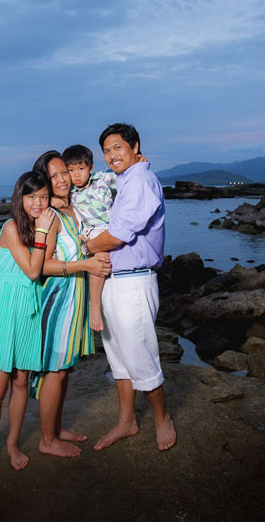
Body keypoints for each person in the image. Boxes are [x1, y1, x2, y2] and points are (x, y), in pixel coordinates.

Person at [85, 123, 177, 452]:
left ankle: (162, 417)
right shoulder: (125, 180)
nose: (111, 155)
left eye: (118, 148)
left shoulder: (140, 180)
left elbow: (119, 234)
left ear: (134, 146)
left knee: (139, 355)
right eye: (107, 150)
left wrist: (88, 247)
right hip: (114, 279)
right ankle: (127, 421)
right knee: (118, 357)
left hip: (134, 281)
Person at [32, 150, 111, 458]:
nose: (63, 179)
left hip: (74, 298)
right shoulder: (49, 216)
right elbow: (43, 266)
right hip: (57, 299)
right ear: (45, 181)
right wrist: (86, 267)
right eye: (54, 176)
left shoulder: (71, 208)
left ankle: (56, 428)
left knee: (64, 370)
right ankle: (46, 440)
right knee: (54, 370)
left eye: (64, 172)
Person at [0, 171, 55, 478]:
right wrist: (44, 230)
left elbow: (44, 268)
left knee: (22, 382)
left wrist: (46, 229)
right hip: (5, 304)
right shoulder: (11, 227)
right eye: (31, 196)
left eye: (43, 197)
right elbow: (34, 271)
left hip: (28, 306)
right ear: (19, 198)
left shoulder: (43, 226)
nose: (38, 203)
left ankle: (11, 446)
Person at [62, 143, 116, 333]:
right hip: (90, 231)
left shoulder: (103, 179)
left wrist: (139, 162)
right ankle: (94, 306)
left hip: (110, 226)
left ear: (91, 168)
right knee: (101, 256)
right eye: (71, 170)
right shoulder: (70, 192)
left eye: (81, 169)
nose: (76, 175)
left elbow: (128, 177)